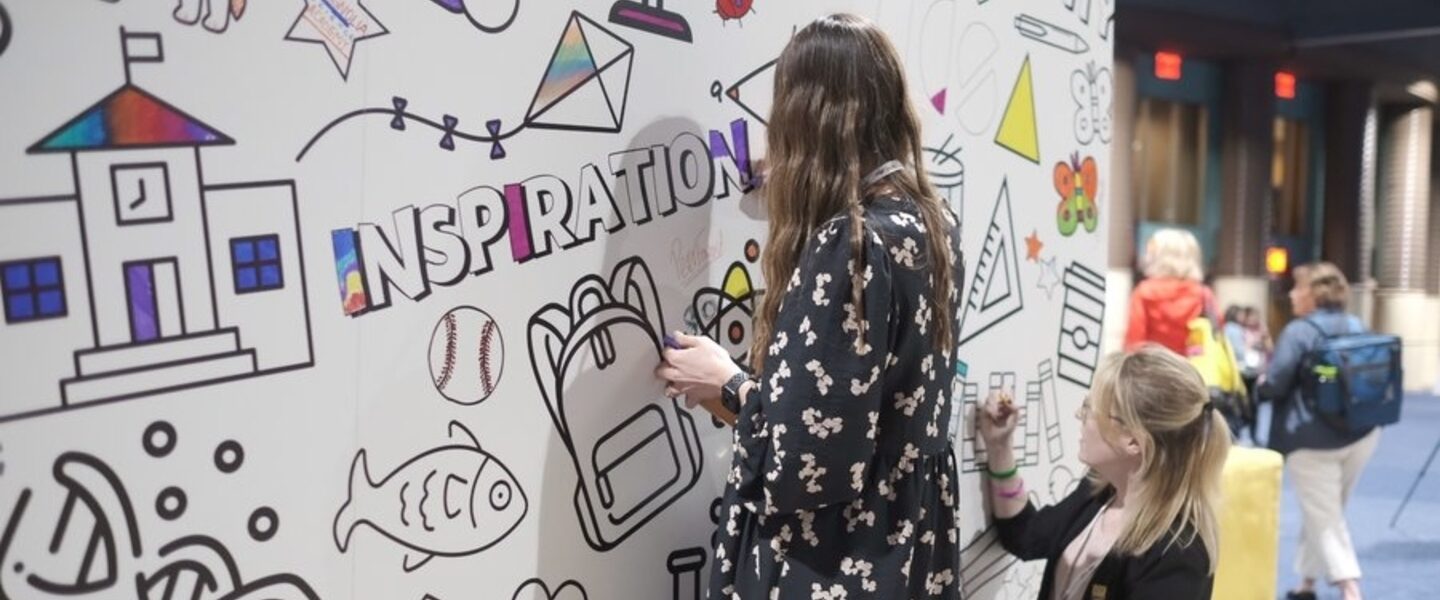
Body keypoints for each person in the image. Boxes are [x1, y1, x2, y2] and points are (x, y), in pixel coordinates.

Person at [655, 14, 965, 598]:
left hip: (835, 562)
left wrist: (725, 383)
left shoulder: (852, 245)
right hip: (902, 552)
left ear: (806, 118)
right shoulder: (928, 223)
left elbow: (809, 463)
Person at [980, 346, 1231, 599]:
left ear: (1133, 441)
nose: (1079, 415)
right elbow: (1026, 536)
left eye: (1091, 409)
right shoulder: (1098, 492)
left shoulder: (1179, 555)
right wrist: (1000, 448)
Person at [1261, 262, 1379, 600]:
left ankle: (1349, 588)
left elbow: (1278, 381)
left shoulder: (1299, 331)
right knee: (1327, 510)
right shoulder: (1358, 325)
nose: (1292, 295)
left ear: (1312, 294)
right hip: (1362, 433)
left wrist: (1260, 385)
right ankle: (1307, 584)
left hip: (1310, 440)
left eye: (1297, 289)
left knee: (1323, 514)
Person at [1124, 228, 1215, 355]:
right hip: (1192, 370)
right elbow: (1216, 336)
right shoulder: (1203, 294)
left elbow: (1134, 343)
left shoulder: (1144, 292)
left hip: (1153, 368)